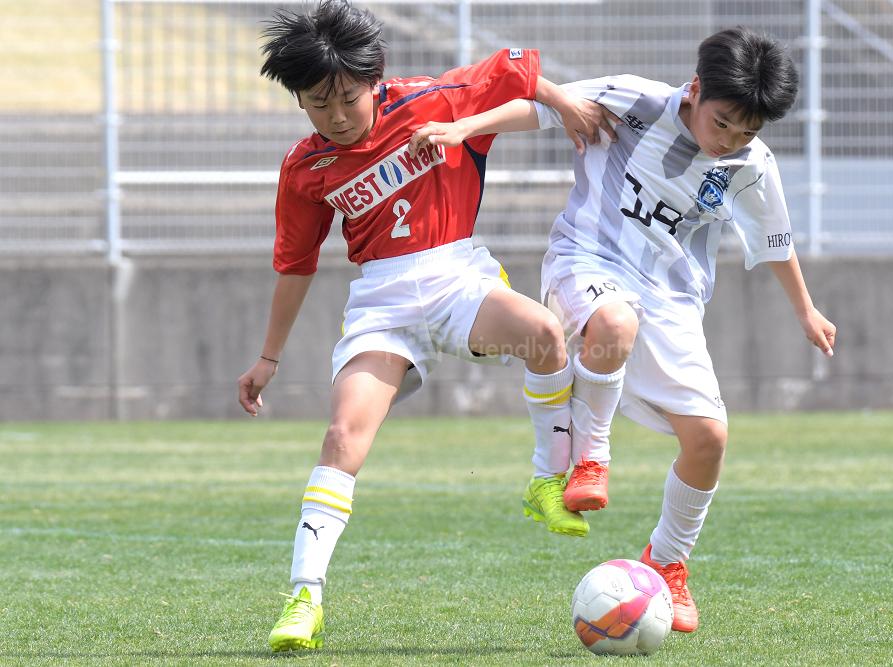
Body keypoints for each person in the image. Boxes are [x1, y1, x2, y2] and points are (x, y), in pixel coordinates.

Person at [409, 27, 837, 634]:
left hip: (674, 298)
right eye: (722, 123)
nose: (729, 140)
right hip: (587, 259)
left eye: (746, 132)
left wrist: (805, 310)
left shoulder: (751, 163)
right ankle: (591, 458)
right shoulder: (636, 101)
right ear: (694, 90)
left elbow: (774, 239)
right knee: (614, 321)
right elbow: (538, 107)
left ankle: (668, 562)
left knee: (709, 439)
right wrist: (464, 128)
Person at [237, 0, 613, 652]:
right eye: (318, 104)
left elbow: (516, 73)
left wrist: (546, 105)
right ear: (298, 101)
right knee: (343, 436)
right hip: (381, 305)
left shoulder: (426, 102)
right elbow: (295, 265)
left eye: (347, 99)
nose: (336, 116)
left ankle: (547, 479)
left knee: (546, 336)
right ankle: (304, 598)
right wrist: (268, 358)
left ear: (373, 81)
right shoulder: (304, 169)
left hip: (456, 277)